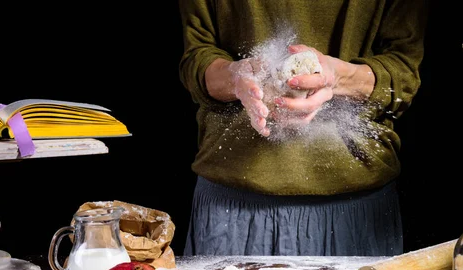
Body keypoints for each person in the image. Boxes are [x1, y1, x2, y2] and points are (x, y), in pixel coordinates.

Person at [178, 0, 429, 256]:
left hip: (353, 211)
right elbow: (197, 56)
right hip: (233, 206)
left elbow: (404, 70)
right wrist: (235, 77)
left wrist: (336, 77)